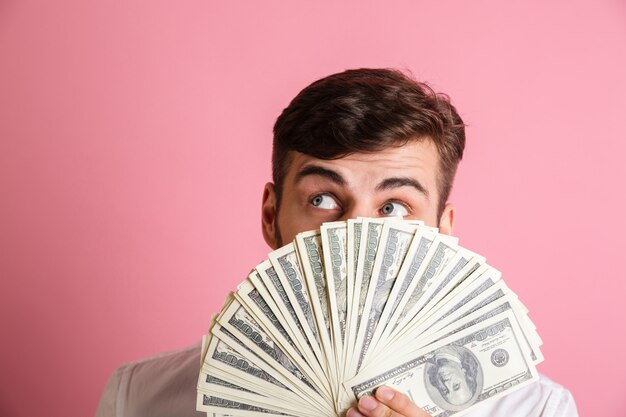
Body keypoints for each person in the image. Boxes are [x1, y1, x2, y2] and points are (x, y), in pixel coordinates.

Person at [95, 68, 578, 417]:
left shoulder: (537, 410)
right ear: (271, 216)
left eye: (392, 208)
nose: (355, 237)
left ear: (441, 234)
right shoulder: (139, 400)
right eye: (324, 199)